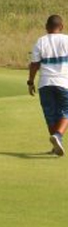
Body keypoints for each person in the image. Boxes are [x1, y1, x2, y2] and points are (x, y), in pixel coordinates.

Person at [28, 15, 68, 156]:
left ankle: (56, 145)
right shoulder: (66, 40)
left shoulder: (41, 41)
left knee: (50, 115)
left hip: (45, 84)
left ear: (46, 27)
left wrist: (30, 82)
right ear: (61, 27)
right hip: (63, 82)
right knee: (65, 111)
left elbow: (34, 65)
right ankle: (58, 136)